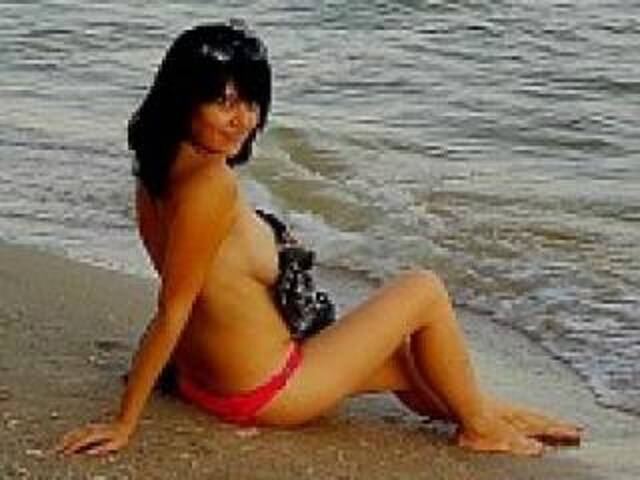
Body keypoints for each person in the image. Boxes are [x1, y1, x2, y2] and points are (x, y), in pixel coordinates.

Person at [58, 21, 581, 457]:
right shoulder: (210, 185)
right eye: (223, 102)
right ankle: (482, 429)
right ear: (183, 101)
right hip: (266, 389)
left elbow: (195, 289)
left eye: (251, 102)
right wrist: (124, 423)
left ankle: (495, 414)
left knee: (408, 362)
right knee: (424, 289)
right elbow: (174, 308)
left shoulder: (157, 175)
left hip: (208, 379)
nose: (243, 119)